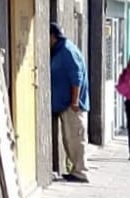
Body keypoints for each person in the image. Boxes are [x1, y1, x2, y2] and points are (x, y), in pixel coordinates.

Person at [49, 21, 90, 183]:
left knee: (75, 139)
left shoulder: (66, 51)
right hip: (64, 104)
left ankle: (81, 171)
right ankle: (75, 170)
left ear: (53, 37)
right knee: (69, 139)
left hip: (72, 105)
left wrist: (74, 101)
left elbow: (76, 77)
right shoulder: (60, 50)